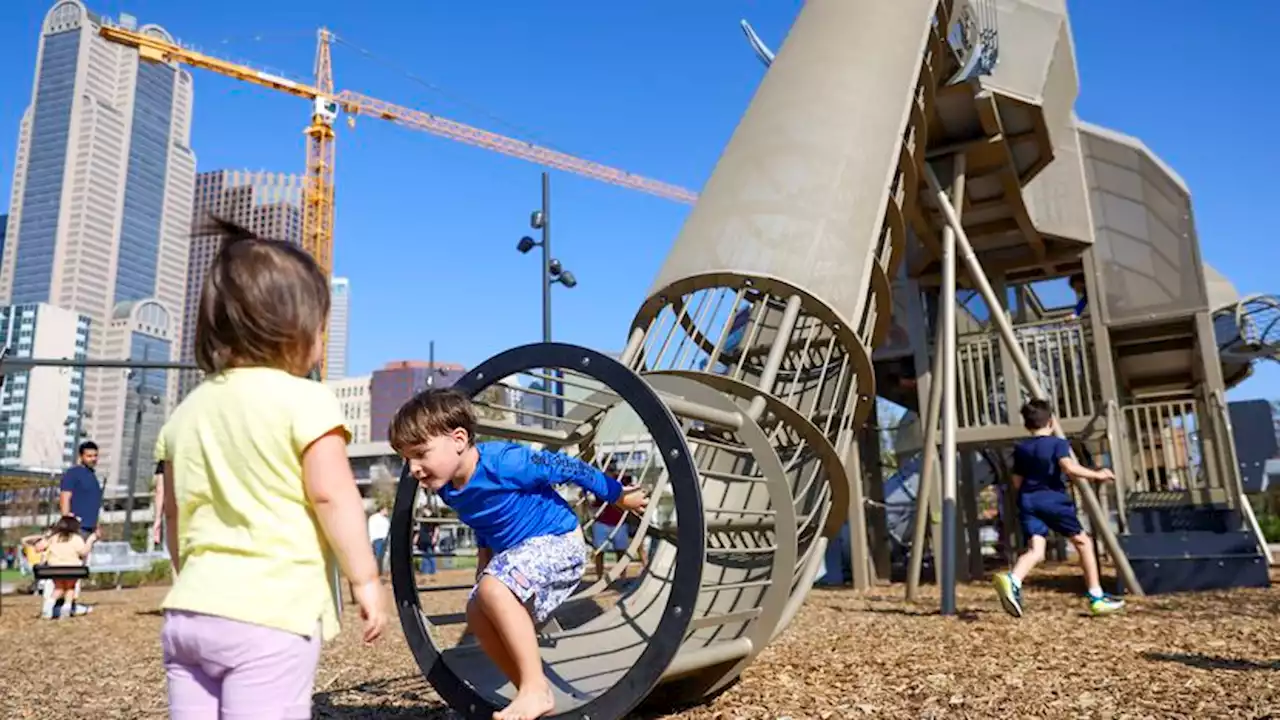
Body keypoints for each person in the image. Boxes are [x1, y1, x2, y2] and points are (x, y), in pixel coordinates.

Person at [154, 216, 388, 719]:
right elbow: (332, 496)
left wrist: (187, 573)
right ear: (299, 329)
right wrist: (365, 578)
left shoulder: (186, 411)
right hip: (269, 615)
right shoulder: (307, 401)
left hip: (190, 610)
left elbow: (173, 512)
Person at [390, 387, 649, 720]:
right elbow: (484, 521)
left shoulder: (505, 461)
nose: (413, 468)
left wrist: (616, 496)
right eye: (406, 459)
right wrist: (484, 562)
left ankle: (534, 690)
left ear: (458, 439)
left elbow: (568, 467)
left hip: (558, 542)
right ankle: (529, 690)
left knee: (493, 589)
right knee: (477, 612)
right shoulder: (451, 491)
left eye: (421, 453)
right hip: (520, 554)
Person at [992, 399, 1126, 618]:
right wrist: (1098, 474)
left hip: (1027, 500)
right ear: (1052, 422)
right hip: (1052, 500)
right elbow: (1069, 467)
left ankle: (1013, 579)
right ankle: (1096, 597)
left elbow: (1017, 481)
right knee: (1083, 542)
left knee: (1036, 550)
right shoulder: (1057, 444)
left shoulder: (1020, 448)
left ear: (1027, 425)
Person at [24, 516, 97, 619]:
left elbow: (38, 548)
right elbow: (83, 552)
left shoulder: (53, 538)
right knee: (70, 588)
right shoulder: (76, 538)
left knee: (59, 588)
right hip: (72, 569)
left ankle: (47, 607)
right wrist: (90, 541)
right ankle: (66, 608)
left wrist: (45, 538)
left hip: (54, 569)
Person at [60, 441, 103, 537]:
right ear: (81, 456)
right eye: (89, 456)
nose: (93, 459)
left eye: (95, 456)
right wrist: (66, 522)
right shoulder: (73, 473)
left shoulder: (93, 477)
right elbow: (65, 497)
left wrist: (97, 526)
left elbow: (94, 504)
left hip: (90, 528)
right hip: (76, 527)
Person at [368, 507, 390, 575]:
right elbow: (371, 529)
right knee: (378, 556)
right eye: (386, 510)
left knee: (383, 556)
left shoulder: (386, 519)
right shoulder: (374, 518)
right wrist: (371, 540)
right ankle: (376, 572)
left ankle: (381, 571)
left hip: (385, 539)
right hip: (377, 539)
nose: (387, 511)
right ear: (382, 510)